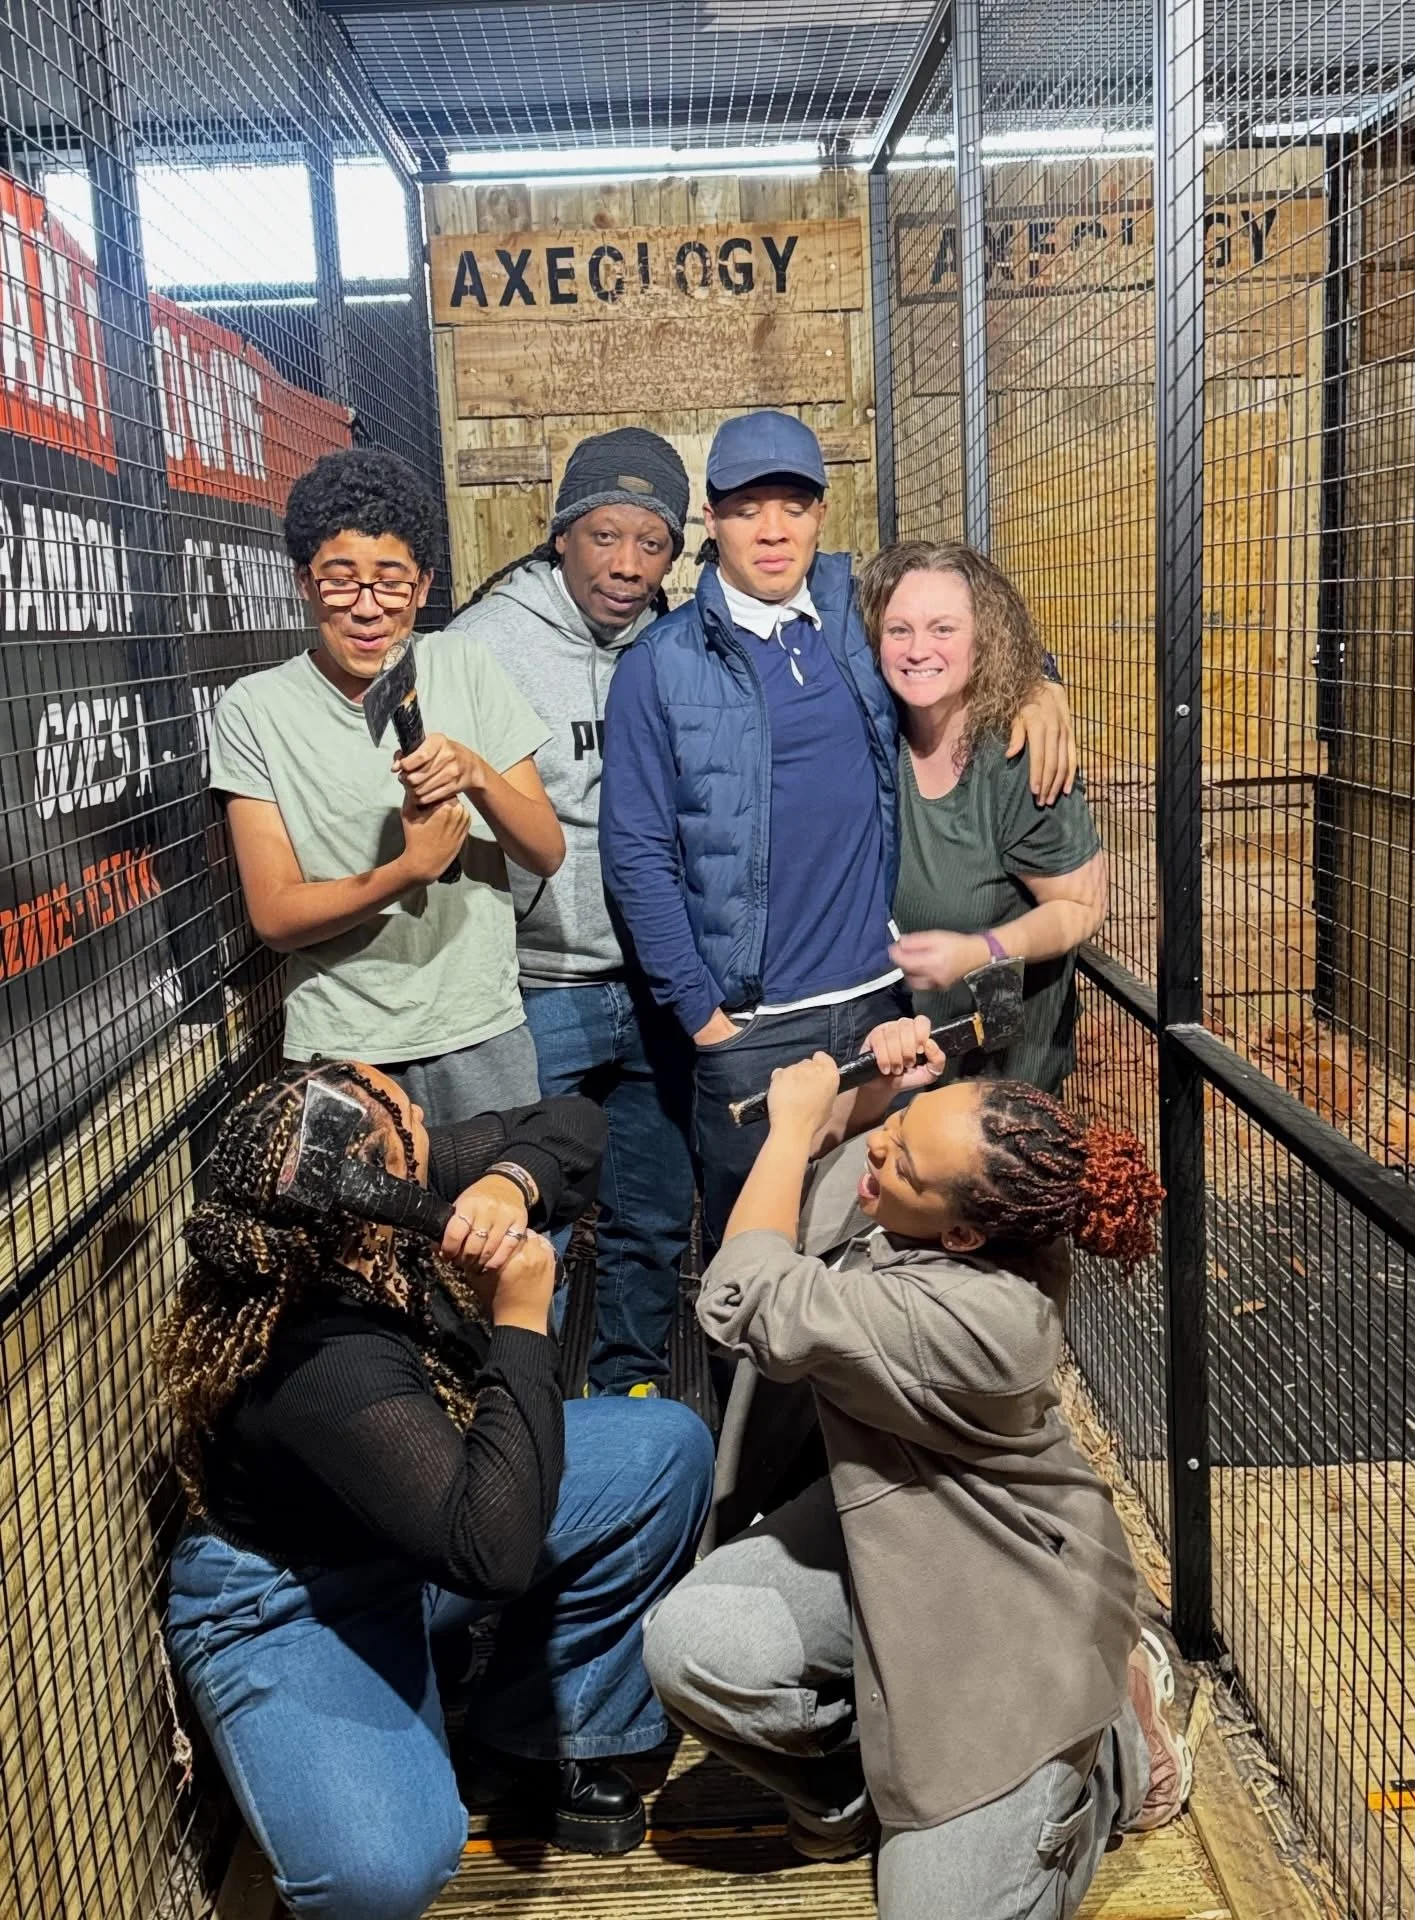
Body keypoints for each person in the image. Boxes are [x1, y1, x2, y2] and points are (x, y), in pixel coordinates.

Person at [643, 1019, 1190, 1918]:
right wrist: (875, 1098)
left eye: (903, 1156)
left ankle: (1115, 1748)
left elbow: (744, 1294)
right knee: (695, 1646)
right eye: (901, 1125)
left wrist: (791, 1128)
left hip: (1006, 1596)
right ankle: (849, 1799)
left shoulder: (983, 1324)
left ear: (964, 1235)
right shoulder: (937, 1208)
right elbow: (831, 1164)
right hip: (891, 1520)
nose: (882, 1150)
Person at [157, 1061, 713, 1920]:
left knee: (662, 1448)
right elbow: (491, 1554)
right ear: (373, 1183)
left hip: (411, 1530)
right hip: (297, 1601)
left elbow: (576, 1126)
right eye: (412, 1124)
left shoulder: (352, 1208)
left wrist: (507, 1180)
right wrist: (521, 1322)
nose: (426, 1125)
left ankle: (524, 1742)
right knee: (386, 1870)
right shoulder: (325, 1359)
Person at [599, 411, 1075, 1258]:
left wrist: (1041, 682)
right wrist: (705, 1019)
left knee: (888, 1252)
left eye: (794, 506)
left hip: (882, 1012)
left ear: (822, 513)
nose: (772, 530)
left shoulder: (857, 613)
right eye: (747, 509)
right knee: (756, 1269)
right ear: (711, 519)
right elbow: (636, 856)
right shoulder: (659, 665)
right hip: (754, 1027)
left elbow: (958, 631)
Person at [447, 429, 696, 1397]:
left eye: (652, 543)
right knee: (523, 1219)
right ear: (560, 536)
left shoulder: (679, 642)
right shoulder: (481, 645)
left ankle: (628, 1392)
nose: (627, 564)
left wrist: (1038, 675)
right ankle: (520, 1411)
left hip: (655, 985)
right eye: (604, 535)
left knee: (653, 1212)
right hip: (534, 985)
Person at [209, 448, 564, 1125]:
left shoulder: (464, 664)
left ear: (423, 586)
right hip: (345, 1045)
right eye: (340, 582)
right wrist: (408, 871)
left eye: (391, 582)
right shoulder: (255, 709)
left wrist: (476, 773)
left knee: (497, 1193)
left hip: (479, 1028)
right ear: (305, 583)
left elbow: (546, 851)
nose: (368, 609)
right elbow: (275, 917)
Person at [861, 540, 1107, 1093]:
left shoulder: (1015, 756)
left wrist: (982, 951)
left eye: (943, 629)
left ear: (984, 638)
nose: (918, 649)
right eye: (899, 630)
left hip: (999, 1088)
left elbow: (1082, 905)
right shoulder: (875, 741)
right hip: (897, 1076)